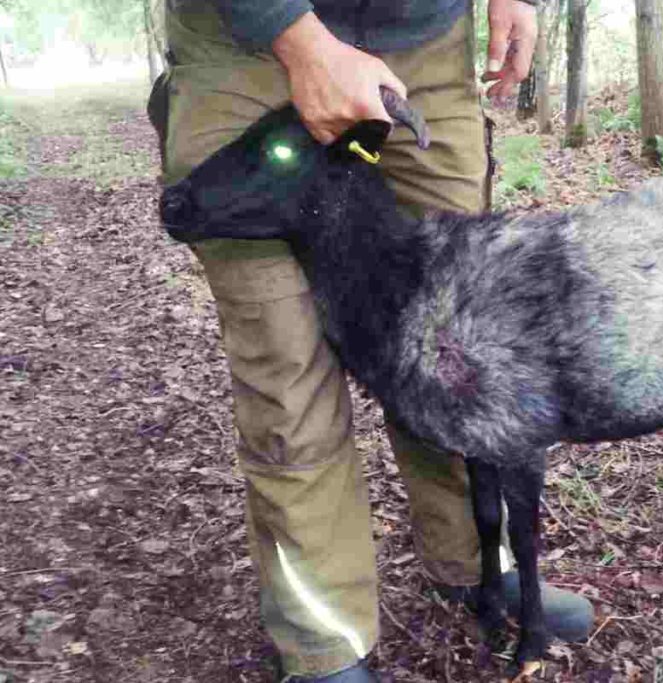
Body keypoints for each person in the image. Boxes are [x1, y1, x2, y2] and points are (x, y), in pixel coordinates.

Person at [147, 1, 594, 681]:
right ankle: (323, 638)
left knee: (458, 346)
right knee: (289, 375)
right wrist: (297, 40)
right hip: (248, 43)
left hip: (426, 48)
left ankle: (475, 560)